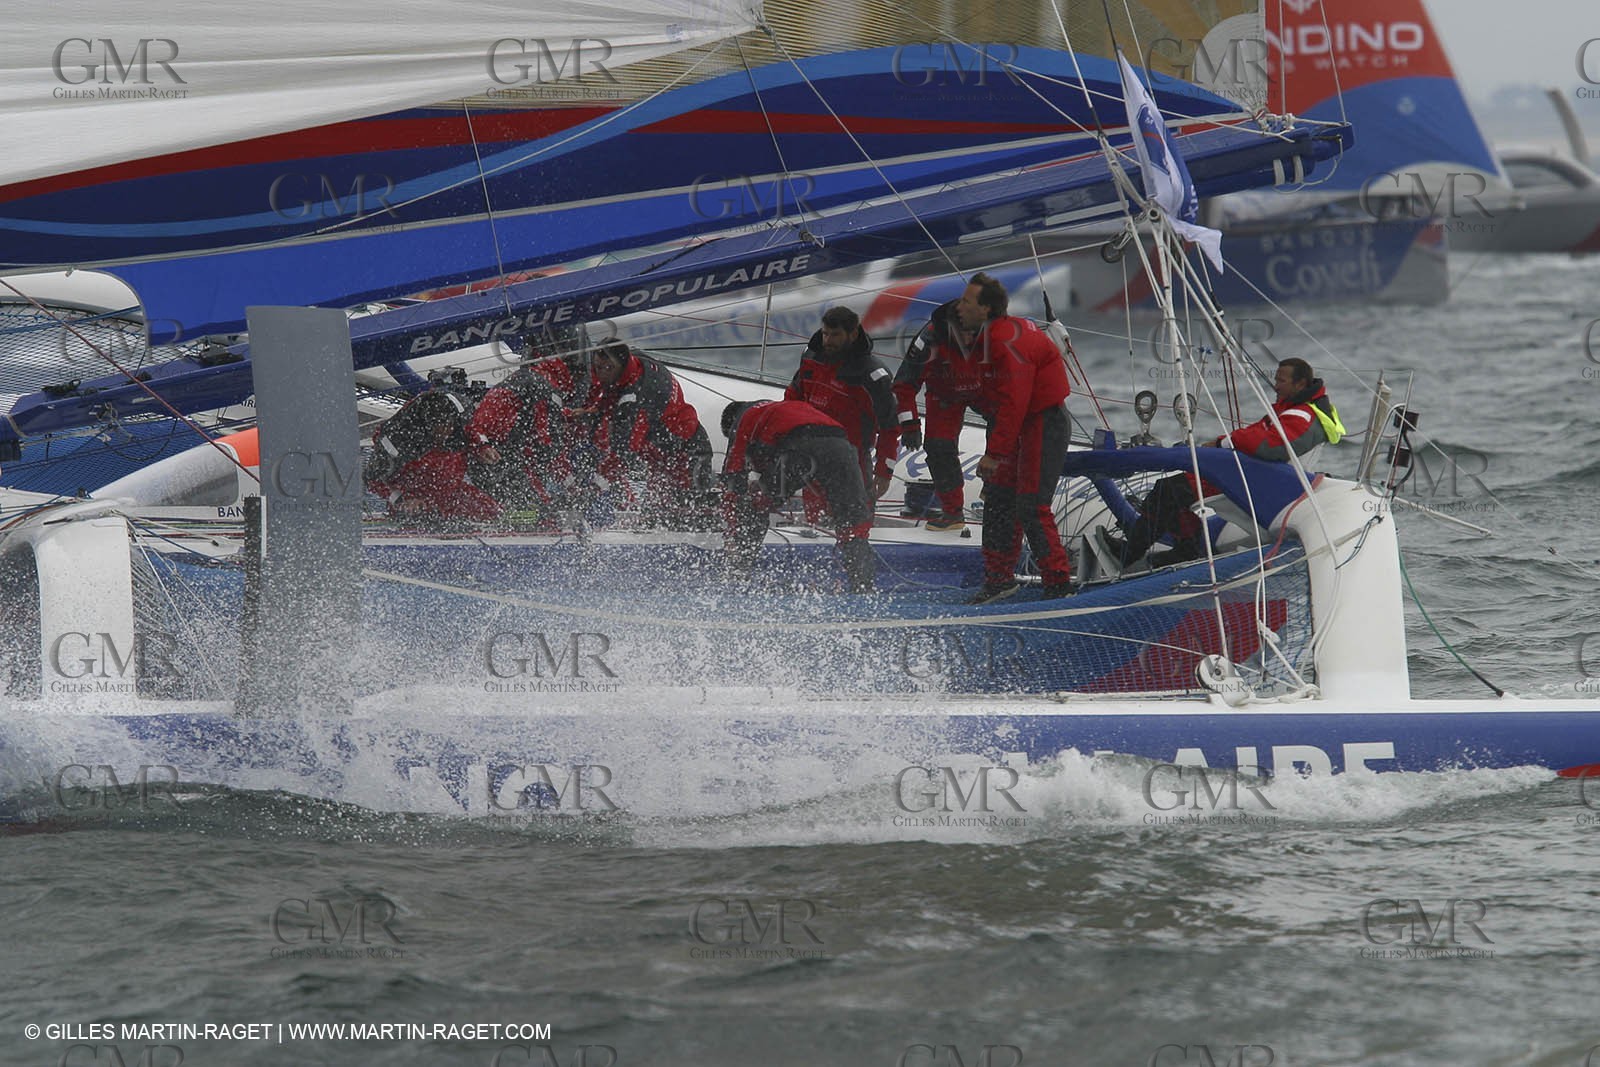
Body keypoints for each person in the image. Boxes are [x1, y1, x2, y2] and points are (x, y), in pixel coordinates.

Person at [1098, 357, 1345, 569]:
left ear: (1300, 383)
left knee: (1168, 491)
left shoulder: (1300, 415)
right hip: (1246, 472)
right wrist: (1221, 443)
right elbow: (1258, 437)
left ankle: (1131, 554)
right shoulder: (1293, 409)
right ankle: (1188, 549)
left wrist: (1223, 444)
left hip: (1253, 480)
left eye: (1281, 380)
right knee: (1169, 491)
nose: (1275, 385)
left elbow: (1270, 447)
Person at [956, 272, 1075, 604]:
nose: (959, 307)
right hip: (1019, 425)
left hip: (1042, 422)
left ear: (987, 309)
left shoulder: (1006, 342)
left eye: (966, 301)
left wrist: (993, 454)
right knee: (997, 499)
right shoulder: (992, 335)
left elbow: (1015, 402)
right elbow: (994, 398)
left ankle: (1059, 584)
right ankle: (998, 580)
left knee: (1031, 505)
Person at [719, 400, 876, 593]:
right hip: (841, 443)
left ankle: (738, 571)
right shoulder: (782, 409)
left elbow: (733, 476)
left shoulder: (743, 419)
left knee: (755, 506)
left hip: (800, 444)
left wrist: (732, 527)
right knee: (854, 525)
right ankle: (864, 589)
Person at [583, 340, 714, 528]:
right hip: (660, 449)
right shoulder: (632, 367)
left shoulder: (637, 399)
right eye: (597, 367)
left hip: (686, 450)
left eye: (607, 367)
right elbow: (607, 405)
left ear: (620, 365)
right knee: (656, 507)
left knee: (683, 509)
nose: (601, 372)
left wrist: (596, 485)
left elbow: (625, 451)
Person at [464, 326, 587, 514]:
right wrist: (571, 486)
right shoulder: (546, 387)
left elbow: (531, 416)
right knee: (541, 513)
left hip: (486, 454)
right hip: (497, 460)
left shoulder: (534, 377)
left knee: (534, 494)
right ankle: (525, 518)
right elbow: (547, 444)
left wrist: (565, 415)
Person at [786, 306, 900, 502]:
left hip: (851, 461)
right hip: (810, 457)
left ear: (853, 334)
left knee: (855, 521)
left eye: (835, 335)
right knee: (815, 527)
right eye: (825, 334)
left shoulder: (873, 375)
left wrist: (884, 471)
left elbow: (890, 426)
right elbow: (791, 401)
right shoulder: (811, 358)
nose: (828, 341)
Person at [892, 298, 984, 531]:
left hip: (987, 390)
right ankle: (953, 513)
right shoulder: (928, 341)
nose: (966, 339)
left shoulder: (997, 333)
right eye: (959, 333)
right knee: (938, 447)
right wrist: (910, 425)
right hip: (944, 395)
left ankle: (998, 493)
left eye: (970, 333)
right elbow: (904, 386)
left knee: (1009, 436)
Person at [365, 388, 503, 522]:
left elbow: (473, 430)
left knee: (494, 513)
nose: (443, 432)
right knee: (423, 519)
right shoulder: (396, 440)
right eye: (436, 425)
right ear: (425, 423)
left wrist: (482, 447)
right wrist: (402, 499)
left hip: (452, 492)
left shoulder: (461, 420)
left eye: (447, 425)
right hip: (417, 500)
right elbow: (372, 479)